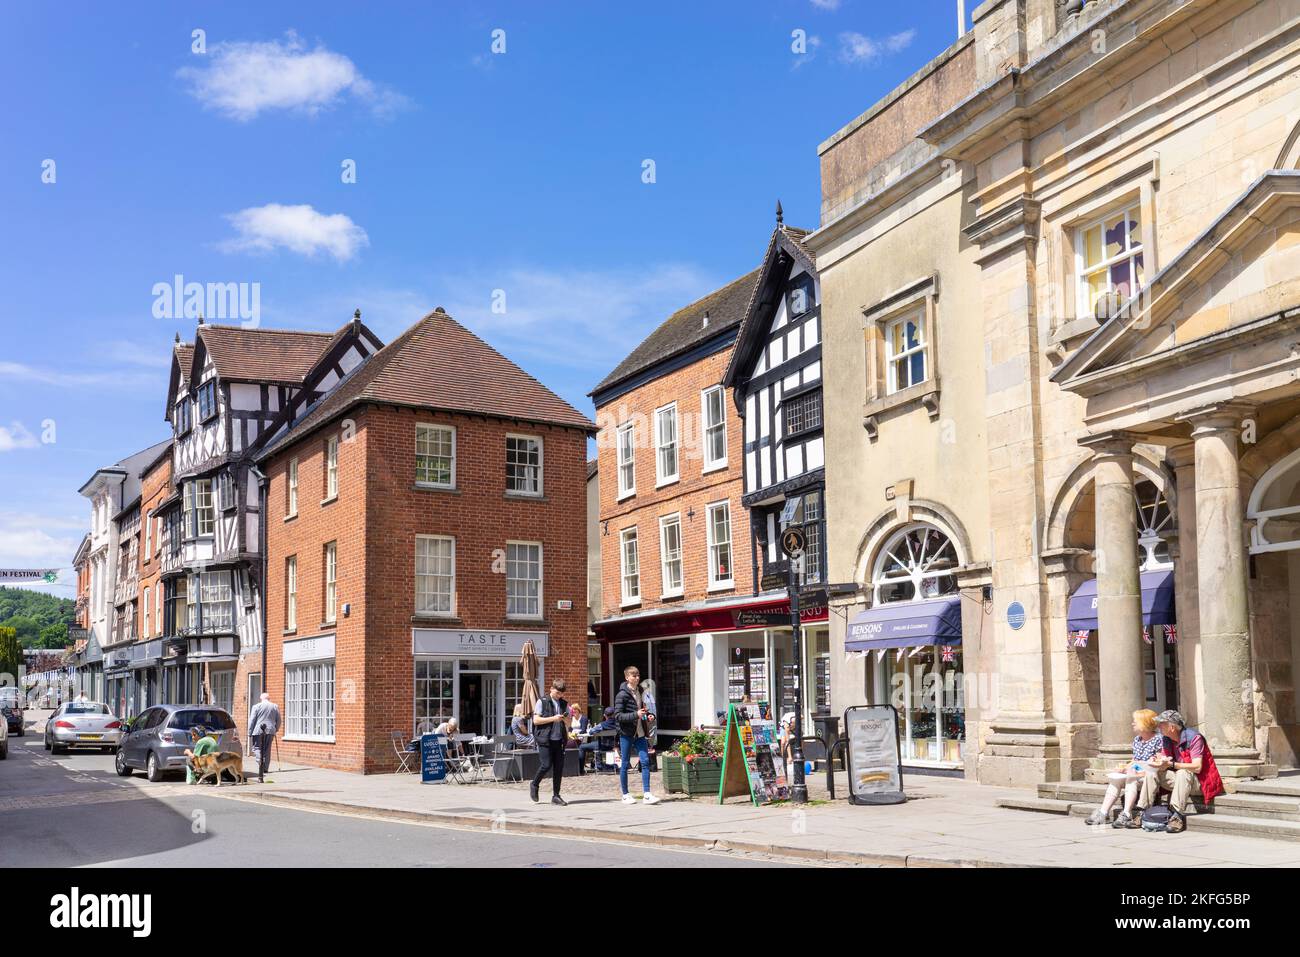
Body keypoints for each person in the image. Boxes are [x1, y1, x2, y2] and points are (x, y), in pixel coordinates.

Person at [1137, 709, 1224, 833]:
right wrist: (1157, 763)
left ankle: (1177, 816)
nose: (1159, 727)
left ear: (1171, 727)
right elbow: (1165, 763)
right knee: (1152, 772)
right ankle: (1143, 812)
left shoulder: (1194, 738)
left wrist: (1172, 764)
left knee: (1183, 772)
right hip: (1180, 781)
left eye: (1162, 724)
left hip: (1199, 782)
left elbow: (1197, 767)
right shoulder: (1166, 739)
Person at [1085, 709, 1162, 828]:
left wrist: (1139, 771)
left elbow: (1159, 762)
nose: (1132, 723)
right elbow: (1135, 760)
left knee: (1131, 779)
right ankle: (1103, 813)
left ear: (1144, 723)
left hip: (1150, 776)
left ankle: (1126, 814)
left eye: (1135, 721)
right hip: (1136, 773)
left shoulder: (1159, 739)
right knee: (1115, 779)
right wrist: (1124, 768)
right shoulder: (1137, 739)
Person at [613, 665, 660, 805]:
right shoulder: (622, 694)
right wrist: (636, 715)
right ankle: (625, 794)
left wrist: (648, 715)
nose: (637, 678)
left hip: (640, 732)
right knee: (625, 763)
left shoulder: (640, 691)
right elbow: (618, 716)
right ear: (627, 677)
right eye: (634, 675)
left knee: (645, 761)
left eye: (638, 675)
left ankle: (647, 794)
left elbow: (643, 709)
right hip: (626, 733)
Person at [531, 678, 571, 805]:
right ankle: (534, 784)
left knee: (558, 768)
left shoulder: (564, 704)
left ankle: (556, 796)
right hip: (544, 739)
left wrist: (565, 719)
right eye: (558, 693)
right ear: (551, 689)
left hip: (559, 740)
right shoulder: (542, 701)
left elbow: (569, 723)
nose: (559, 696)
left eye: (561, 694)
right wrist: (553, 718)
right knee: (546, 765)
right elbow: (536, 720)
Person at [247, 692, 281, 784]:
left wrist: (249, 732)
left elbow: (252, 720)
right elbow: (279, 720)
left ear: (261, 698)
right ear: (268, 699)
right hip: (270, 730)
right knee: (267, 749)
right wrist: (276, 729)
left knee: (257, 748)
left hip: (258, 730)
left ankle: (260, 764)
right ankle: (265, 768)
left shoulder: (256, 706)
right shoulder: (275, 706)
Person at [578, 707, 617, 774]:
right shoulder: (617, 724)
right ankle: (597, 764)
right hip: (613, 746)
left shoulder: (602, 725)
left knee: (581, 747)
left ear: (604, 715)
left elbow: (591, 732)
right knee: (595, 743)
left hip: (601, 745)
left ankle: (581, 770)